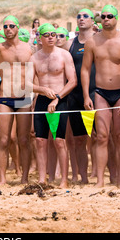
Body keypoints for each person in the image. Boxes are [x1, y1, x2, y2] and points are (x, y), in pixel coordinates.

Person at [81, 5, 120, 188]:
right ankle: (100, 180)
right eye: (103, 16)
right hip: (100, 93)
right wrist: (86, 96)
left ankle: (119, 179)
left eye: (110, 16)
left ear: (116, 18)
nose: (106, 19)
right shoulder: (92, 41)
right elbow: (85, 70)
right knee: (102, 137)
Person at [0, 15, 33, 185]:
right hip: (5, 97)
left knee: (23, 139)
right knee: (4, 140)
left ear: (18, 28)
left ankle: (25, 177)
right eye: (5, 26)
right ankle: (3, 179)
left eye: (11, 26)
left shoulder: (28, 48)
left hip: (24, 97)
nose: (8, 29)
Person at [30, 23, 77, 187]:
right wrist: (42, 89)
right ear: (40, 39)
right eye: (47, 34)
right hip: (43, 100)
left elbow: (73, 81)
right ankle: (42, 179)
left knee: (59, 141)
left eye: (53, 34)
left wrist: (57, 97)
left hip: (61, 99)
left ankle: (64, 179)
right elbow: (27, 84)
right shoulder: (34, 58)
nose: (51, 37)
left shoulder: (64, 55)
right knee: (40, 141)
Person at [67, 8, 96, 184]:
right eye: (78, 16)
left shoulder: (99, 41)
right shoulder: (70, 43)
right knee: (79, 140)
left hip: (96, 93)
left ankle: (112, 176)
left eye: (85, 16)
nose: (81, 19)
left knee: (102, 138)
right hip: (75, 96)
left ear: (93, 20)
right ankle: (83, 177)